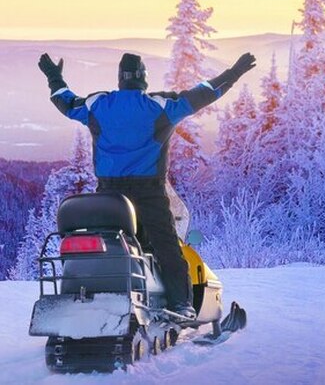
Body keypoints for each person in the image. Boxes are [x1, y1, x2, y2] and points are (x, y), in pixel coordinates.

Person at [38, 51, 256, 320]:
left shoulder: (98, 105)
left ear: (120, 79)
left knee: (112, 243)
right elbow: (204, 93)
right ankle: (180, 306)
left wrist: (53, 76)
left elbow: (65, 102)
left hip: (107, 194)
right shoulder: (160, 106)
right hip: (148, 193)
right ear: (143, 79)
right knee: (167, 247)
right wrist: (234, 73)